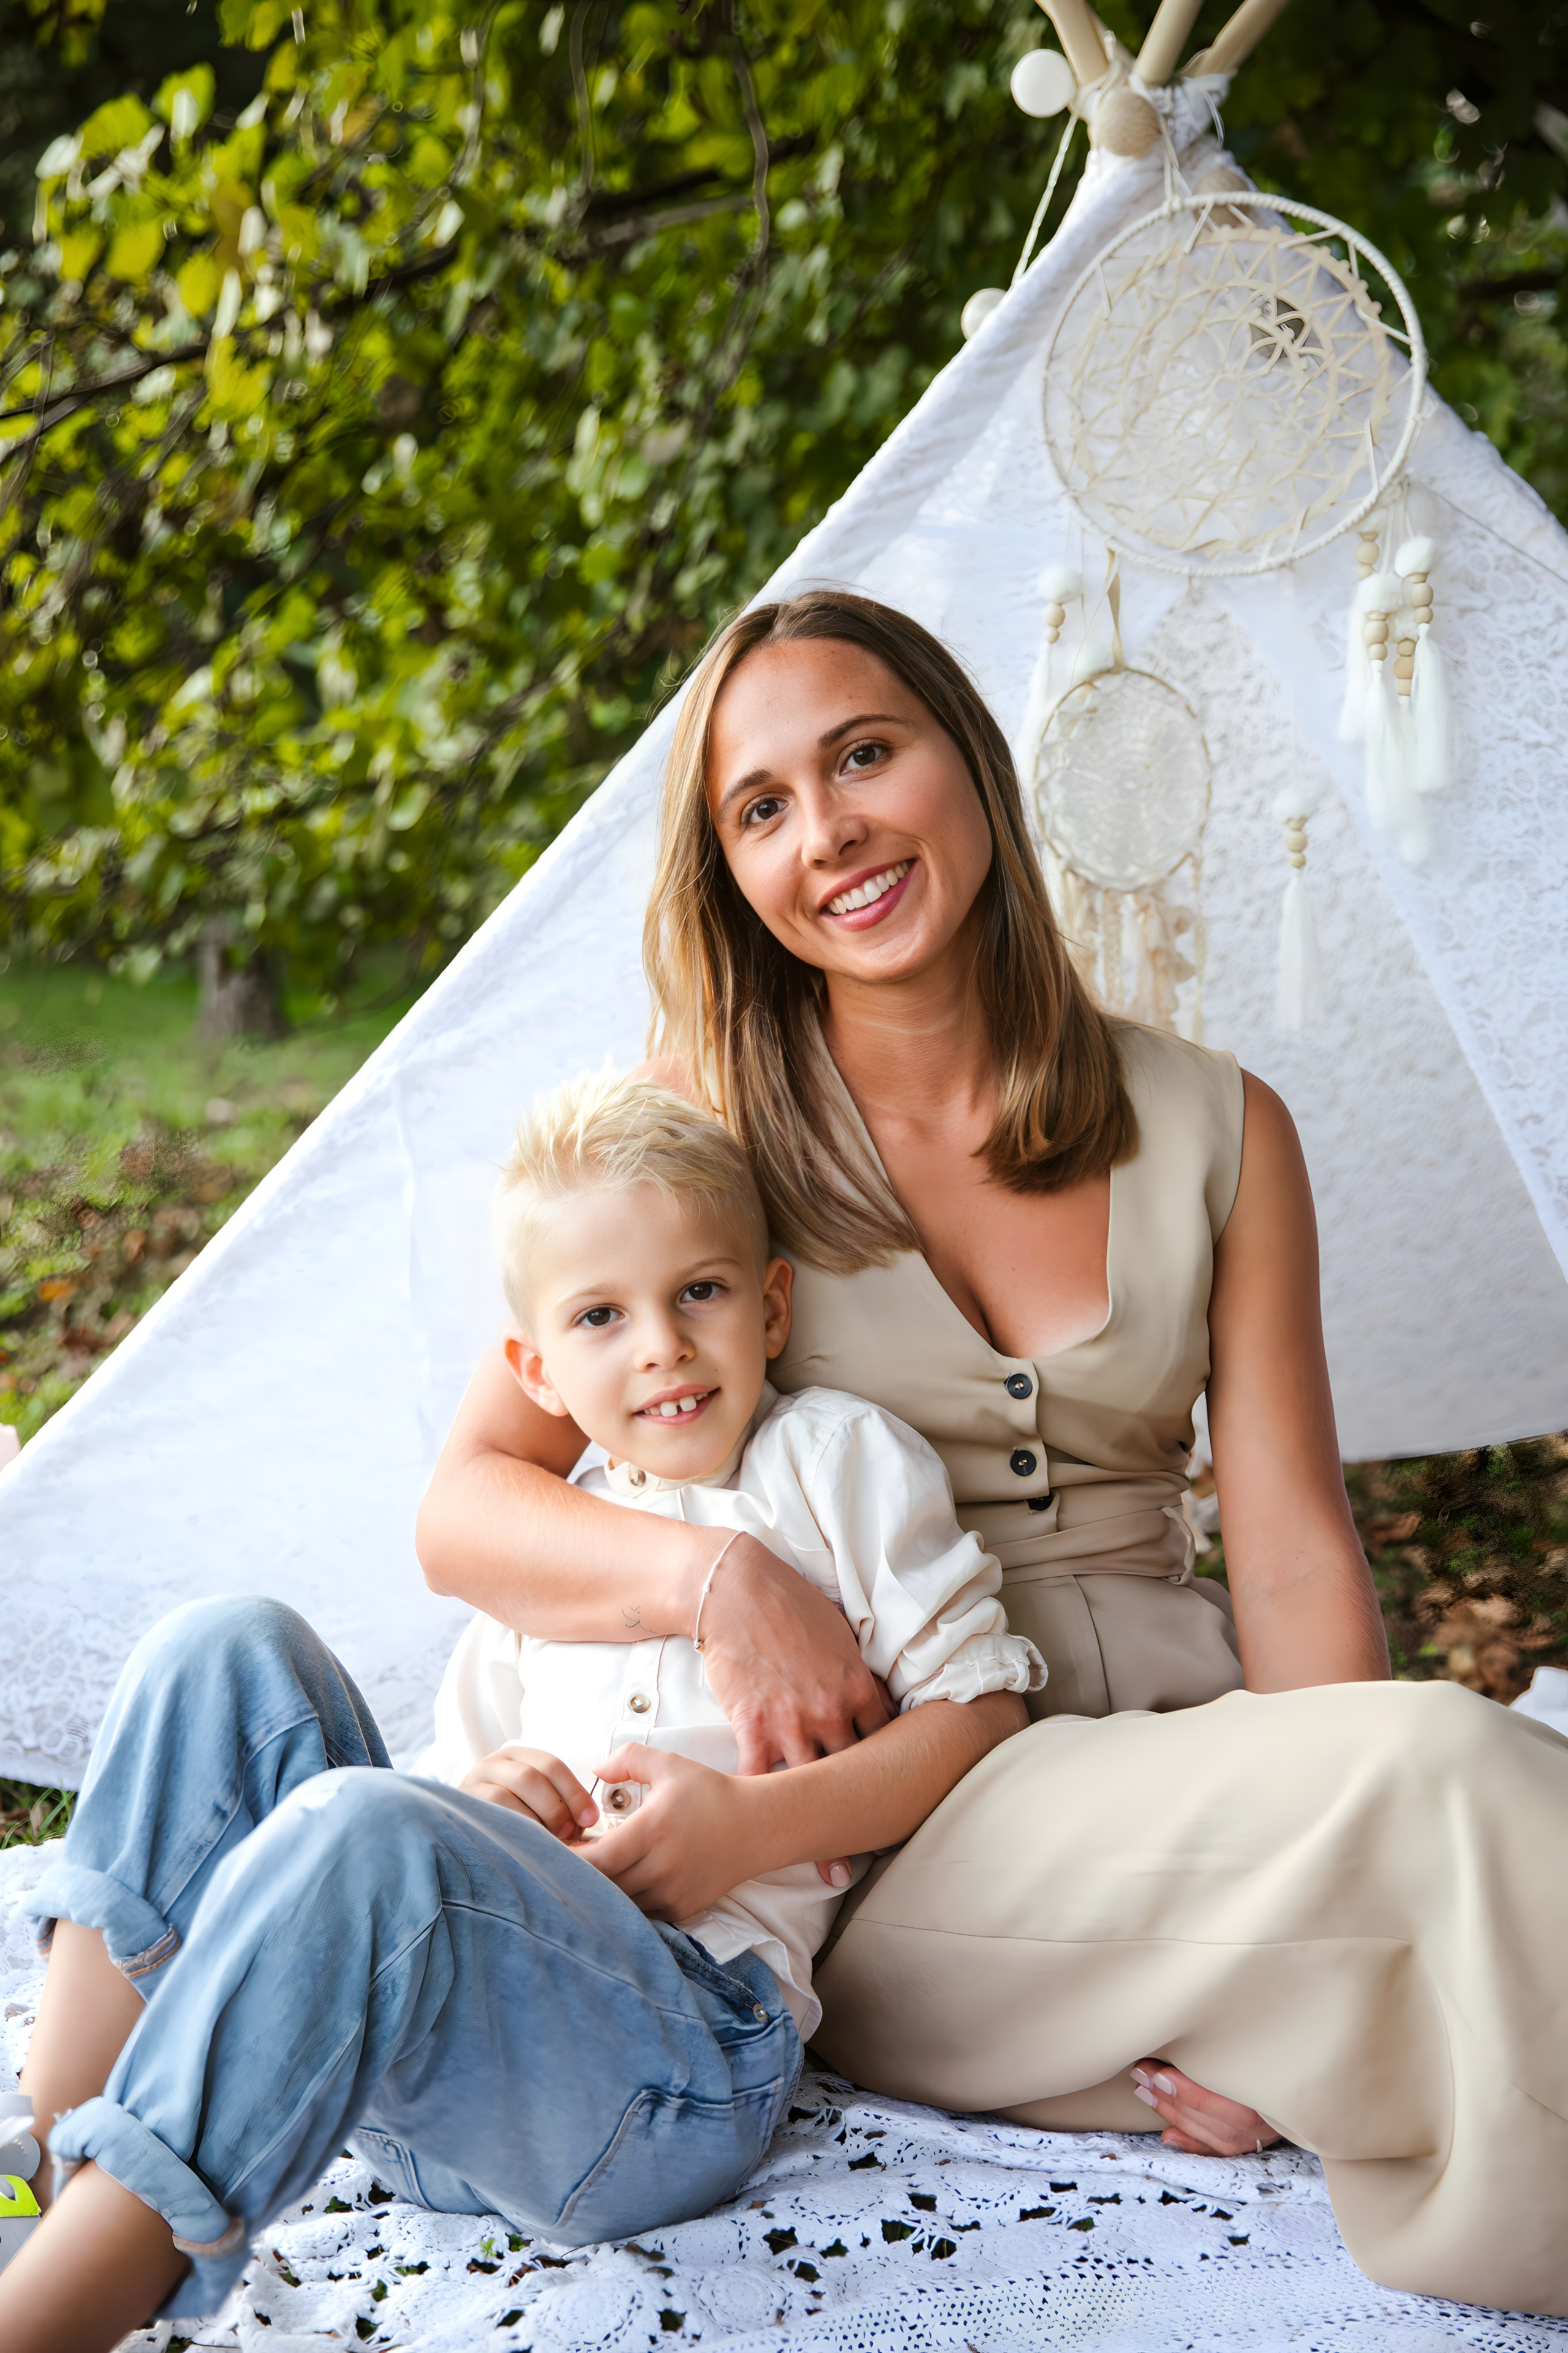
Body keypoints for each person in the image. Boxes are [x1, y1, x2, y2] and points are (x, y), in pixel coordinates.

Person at [416, 589, 1568, 2317]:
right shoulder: (699, 1123)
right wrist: (718, 1576)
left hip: (1204, 1779)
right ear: (731, 870)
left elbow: (1296, 1554)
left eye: (866, 754)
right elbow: (464, 1508)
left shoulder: (1217, 1121)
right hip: (899, 1841)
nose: (833, 833)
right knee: (1463, 1777)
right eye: (764, 807)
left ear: (968, 756)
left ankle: (1285, 2025)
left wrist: (1299, 1880)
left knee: (1418, 1789)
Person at [0, 1076, 1034, 2353]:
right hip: (429, 2095)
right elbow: (444, 1820)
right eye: (601, 1315)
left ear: (770, 1305)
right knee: (220, 1648)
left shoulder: (835, 1465)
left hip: (675, 2069)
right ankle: (40, 2174)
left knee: (370, 1831)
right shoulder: (565, 1539)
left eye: (698, 1292)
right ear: (536, 1370)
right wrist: (477, 1803)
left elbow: (979, 1715)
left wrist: (750, 1827)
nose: (658, 1343)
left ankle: (47, 2319)